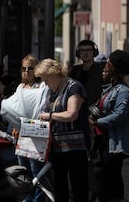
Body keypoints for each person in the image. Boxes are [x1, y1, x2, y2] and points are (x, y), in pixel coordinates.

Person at [36, 58, 90, 202]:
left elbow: (72, 114)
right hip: (56, 147)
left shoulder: (74, 87)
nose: (45, 83)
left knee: (78, 187)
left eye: (46, 79)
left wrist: (50, 115)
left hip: (75, 147)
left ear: (53, 74)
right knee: (60, 187)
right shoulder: (52, 91)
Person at [3, 54, 47, 202]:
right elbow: (15, 108)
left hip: (35, 132)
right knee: (23, 170)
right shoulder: (20, 87)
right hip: (21, 133)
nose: (27, 71)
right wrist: (14, 125)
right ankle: (26, 197)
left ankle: (37, 199)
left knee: (37, 171)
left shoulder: (42, 86)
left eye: (30, 68)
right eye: (24, 68)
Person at [90, 50, 129, 201]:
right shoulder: (110, 89)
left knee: (110, 177)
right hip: (102, 140)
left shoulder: (124, 91)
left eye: (108, 64)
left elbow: (120, 115)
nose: (105, 67)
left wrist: (97, 122)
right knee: (102, 176)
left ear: (114, 69)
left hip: (113, 142)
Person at [69, 39, 104, 108]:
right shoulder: (75, 70)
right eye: (82, 50)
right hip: (78, 108)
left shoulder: (101, 69)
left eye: (88, 50)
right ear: (78, 53)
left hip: (95, 108)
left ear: (94, 52)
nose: (85, 53)